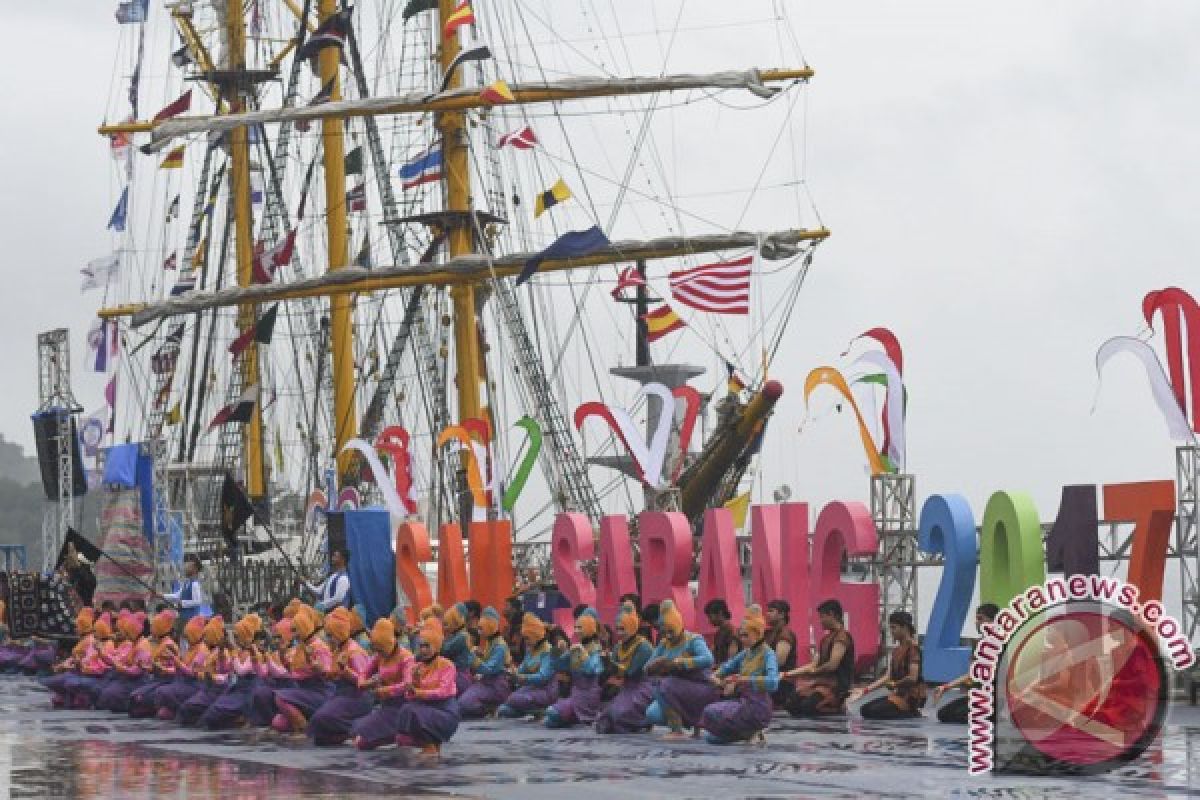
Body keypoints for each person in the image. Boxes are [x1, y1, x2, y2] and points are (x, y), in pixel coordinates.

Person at [700, 605, 779, 744]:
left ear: (757, 633)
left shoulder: (768, 654)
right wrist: (716, 677)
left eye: (745, 635)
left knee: (710, 712)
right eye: (741, 635)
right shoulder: (746, 653)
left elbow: (773, 682)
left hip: (758, 707)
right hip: (744, 702)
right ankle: (749, 733)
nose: (742, 639)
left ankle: (752, 729)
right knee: (711, 738)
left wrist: (743, 680)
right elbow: (726, 668)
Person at [645, 599, 719, 740]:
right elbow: (647, 668)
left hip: (702, 687)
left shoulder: (694, 639)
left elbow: (708, 659)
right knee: (652, 713)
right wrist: (656, 665)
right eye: (664, 631)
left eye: (671, 631)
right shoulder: (664, 644)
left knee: (664, 685)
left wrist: (679, 663)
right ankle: (687, 723)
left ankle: (677, 729)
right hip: (676, 690)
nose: (668, 635)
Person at [390, 618, 462, 758]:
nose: (423, 650)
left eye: (427, 646)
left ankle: (431, 747)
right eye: (421, 646)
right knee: (406, 713)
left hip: (445, 711)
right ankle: (431, 745)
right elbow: (410, 696)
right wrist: (414, 684)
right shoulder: (418, 667)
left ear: (436, 646)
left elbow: (443, 692)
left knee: (414, 711)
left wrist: (419, 692)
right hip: (427, 709)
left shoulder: (447, 665)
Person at [306, 608, 375, 745]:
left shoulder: (354, 651)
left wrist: (345, 670)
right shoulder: (339, 650)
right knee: (319, 732)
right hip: (341, 694)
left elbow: (364, 681)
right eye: (327, 635)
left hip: (357, 696)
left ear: (339, 633)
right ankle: (344, 734)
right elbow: (332, 675)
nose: (328, 639)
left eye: (330, 635)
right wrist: (320, 669)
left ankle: (359, 728)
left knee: (322, 718)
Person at [350, 619, 417, 750]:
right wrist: (367, 683)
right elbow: (362, 674)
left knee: (362, 741)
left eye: (381, 650)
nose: (378, 653)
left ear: (389, 643)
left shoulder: (406, 657)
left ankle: (405, 734)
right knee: (355, 730)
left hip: (402, 706)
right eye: (376, 650)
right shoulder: (379, 656)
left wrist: (386, 690)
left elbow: (408, 684)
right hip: (385, 706)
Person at [782, 598, 856, 717]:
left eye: (822, 617)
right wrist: (787, 674)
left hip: (836, 686)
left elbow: (832, 665)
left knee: (807, 707)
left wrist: (814, 672)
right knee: (791, 704)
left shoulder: (842, 637)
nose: (820, 621)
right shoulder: (825, 639)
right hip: (821, 684)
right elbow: (813, 664)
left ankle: (839, 706)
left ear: (831, 614)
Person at [272, 605, 336, 733]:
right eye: (292, 630)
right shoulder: (299, 648)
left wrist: (317, 666)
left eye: (296, 630)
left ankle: (302, 729)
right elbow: (293, 671)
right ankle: (309, 722)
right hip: (304, 691)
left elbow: (329, 673)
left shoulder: (319, 647)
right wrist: (282, 655)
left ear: (304, 627)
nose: (293, 635)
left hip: (320, 691)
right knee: (278, 722)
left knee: (281, 697)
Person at [594, 602, 655, 734]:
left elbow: (631, 672)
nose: (619, 633)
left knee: (618, 714)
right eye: (617, 629)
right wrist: (604, 663)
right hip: (626, 688)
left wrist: (610, 664)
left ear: (632, 627)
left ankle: (644, 722)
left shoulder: (644, 647)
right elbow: (612, 672)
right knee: (605, 718)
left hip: (642, 687)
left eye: (623, 629)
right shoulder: (618, 647)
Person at [932, 603, 998, 724]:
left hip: (993, 696)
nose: (977, 622)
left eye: (981, 618)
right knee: (943, 714)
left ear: (993, 621)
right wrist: (945, 687)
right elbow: (971, 674)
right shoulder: (978, 644)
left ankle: (991, 713)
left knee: (961, 715)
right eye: (977, 619)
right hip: (978, 695)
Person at [200, 613, 265, 729]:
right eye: (234, 636)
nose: (234, 639)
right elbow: (224, 669)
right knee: (210, 714)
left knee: (217, 712)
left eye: (237, 636)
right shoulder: (239, 652)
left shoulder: (255, 653)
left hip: (248, 692)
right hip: (236, 689)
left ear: (245, 636)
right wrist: (221, 652)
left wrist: (232, 652)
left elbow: (241, 671)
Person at [857, 610, 926, 719]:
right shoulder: (896, 651)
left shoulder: (913, 649)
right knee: (864, 710)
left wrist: (895, 684)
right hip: (899, 694)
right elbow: (888, 676)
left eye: (894, 628)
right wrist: (865, 690)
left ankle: (912, 712)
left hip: (911, 696)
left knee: (873, 712)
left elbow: (912, 678)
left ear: (905, 628)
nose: (891, 631)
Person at [545, 608, 605, 728]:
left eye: (580, 627)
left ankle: (587, 715)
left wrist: (583, 655)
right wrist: (557, 650)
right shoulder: (575, 648)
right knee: (550, 722)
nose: (576, 631)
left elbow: (593, 670)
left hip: (588, 696)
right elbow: (557, 665)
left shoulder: (596, 650)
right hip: (575, 693)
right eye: (576, 627)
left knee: (552, 712)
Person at [496, 613, 558, 719]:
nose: (525, 642)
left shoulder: (548, 651)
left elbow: (543, 677)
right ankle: (534, 711)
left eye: (527, 638)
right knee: (504, 709)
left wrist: (523, 678)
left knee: (514, 699)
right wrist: (512, 673)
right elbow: (522, 669)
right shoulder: (531, 650)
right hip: (531, 688)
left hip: (546, 691)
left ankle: (542, 709)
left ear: (536, 636)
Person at [178, 616, 234, 725]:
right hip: (206, 687)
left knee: (191, 711)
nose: (204, 639)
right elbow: (200, 670)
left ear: (213, 637)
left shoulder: (218, 652)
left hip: (215, 688)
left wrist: (177, 662)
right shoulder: (208, 651)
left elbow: (223, 673)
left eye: (207, 636)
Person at [459, 606, 513, 718]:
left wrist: (472, 658)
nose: (479, 631)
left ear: (489, 627)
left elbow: (490, 669)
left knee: (464, 704)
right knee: (461, 703)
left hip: (497, 686)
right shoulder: (491, 641)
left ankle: (489, 708)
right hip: (486, 682)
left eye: (481, 628)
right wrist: (480, 655)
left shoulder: (500, 646)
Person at [154, 614, 210, 720]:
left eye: (188, 636)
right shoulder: (191, 648)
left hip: (194, 684)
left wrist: (175, 661)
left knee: (162, 692)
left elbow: (191, 673)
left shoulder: (202, 650)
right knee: (160, 700)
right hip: (181, 681)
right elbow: (178, 668)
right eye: (186, 636)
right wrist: (163, 668)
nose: (186, 639)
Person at [128, 609, 181, 718]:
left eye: (154, 626)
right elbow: (154, 667)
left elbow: (174, 669)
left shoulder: (169, 645)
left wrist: (158, 668)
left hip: (167, 681)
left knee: (138, 697)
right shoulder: (160, 643)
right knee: (134, 698)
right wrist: (145, 667)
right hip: (157, 680)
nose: (151, 629)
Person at [96, 611, 151, 712]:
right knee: (107, 692)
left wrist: (121, 668)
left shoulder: (142, 646)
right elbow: (116, 660)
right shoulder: (134, 643)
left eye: (127, 632)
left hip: (138, 680)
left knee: (109, 692)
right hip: (126, 677)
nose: (124, 634)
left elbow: (137, 671)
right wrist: (102, 654)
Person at [44, 607, 95, 706]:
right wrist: (63, 665)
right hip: (75, 669)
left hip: (82, 671)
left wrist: (67, 665)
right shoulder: (84, 639)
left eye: (78, 626)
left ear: (84, 626)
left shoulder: (90, 641)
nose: (76, 629)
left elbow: (87, 660)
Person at [764, 599, 798, 708]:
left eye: (771, 611)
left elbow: (779, 662)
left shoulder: (785, 634)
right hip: (769, 679)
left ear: (782, 614)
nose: (767, 614)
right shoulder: (768, 633)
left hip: (782, 684)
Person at [163, 555, 209, 625]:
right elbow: (177, 596)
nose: (186, 568)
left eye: (189, 566)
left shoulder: (195, 584)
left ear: (195, 569)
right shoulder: (187, 583)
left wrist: (182, 603)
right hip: (184, 618)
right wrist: (162, 595)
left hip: (191, 619)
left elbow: (197, 601)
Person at [440, 603, 473, 696]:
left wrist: (439, 639)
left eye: (447, 624)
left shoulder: (461, 637)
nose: (445, 627)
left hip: (459, 677)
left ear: (455, 621)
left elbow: (444, 651)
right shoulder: (457, 635)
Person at [305, 548, 352, 613]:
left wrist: (322, 605)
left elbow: (338, 599)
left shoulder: (344, 578)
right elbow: (318, 592)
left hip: (338, 617)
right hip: (328, 615)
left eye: (335, 556)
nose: (332, 558)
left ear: (342, 560)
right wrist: (305, 583)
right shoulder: (332, 576)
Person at [704, 599, 740, 664]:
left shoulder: (732, 632)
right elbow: (712, 655)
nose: (709, 620)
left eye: (710, 616)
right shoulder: (718, 633)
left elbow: (731, 660)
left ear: (720, 613)